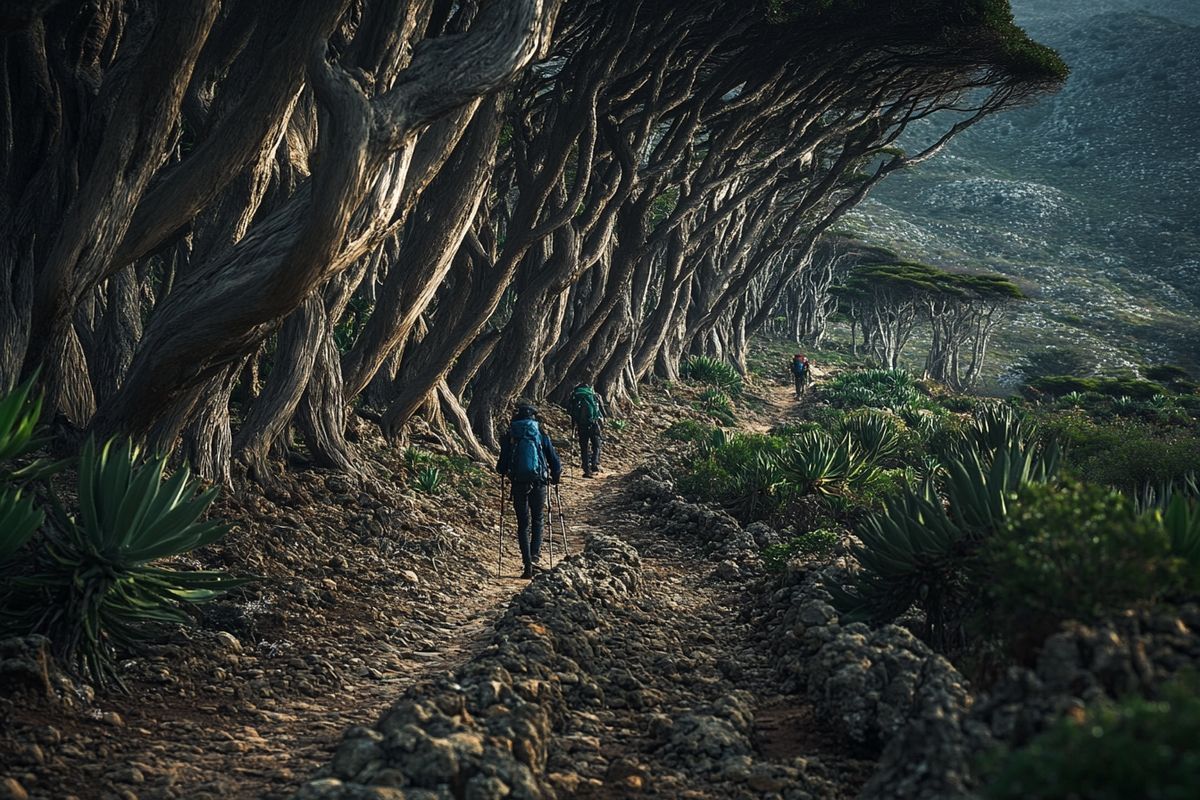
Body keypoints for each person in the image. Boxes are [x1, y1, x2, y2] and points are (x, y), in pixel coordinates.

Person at [496, 401, 562, 579]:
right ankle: (535, 556)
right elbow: (555, 463)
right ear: (534, 418)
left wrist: (505, 470)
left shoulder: (511, 437)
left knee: (523, 524)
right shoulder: (540, 436)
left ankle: (526, 565)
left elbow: (501, 467)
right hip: (539, 483)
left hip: (519, 484)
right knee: (538, 519)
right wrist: (555, 479)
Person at [568, 382, 606, 477]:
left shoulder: (575, 397)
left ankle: (586, 469)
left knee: (584, 447)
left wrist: (574, 425)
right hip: (594, 424)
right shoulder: (594, 396)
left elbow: (570, 411)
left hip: (581, 426)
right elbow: (602, 412)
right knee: (597, 445)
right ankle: (595, 462)